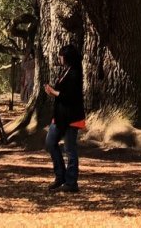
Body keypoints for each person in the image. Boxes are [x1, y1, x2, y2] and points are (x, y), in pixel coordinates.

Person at [44, 43, 85, 193]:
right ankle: (60, 175)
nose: (59, 58)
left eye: (61, 55)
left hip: (71, 117)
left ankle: (71, 181)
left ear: (67, 57)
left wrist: (54, 92)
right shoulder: (66, 71)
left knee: (70, 149)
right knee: (50, 142)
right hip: (60, 116)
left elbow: (70, 96)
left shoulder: (75, 73)